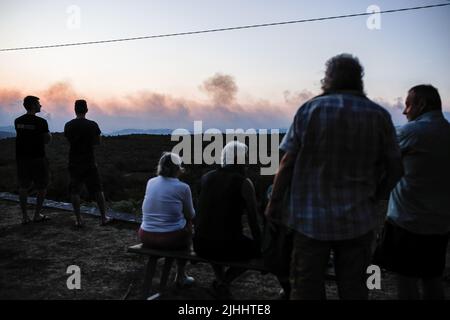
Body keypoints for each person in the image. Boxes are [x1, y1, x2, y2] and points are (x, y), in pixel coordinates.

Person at [265, 53, 403, 300]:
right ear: (358, 80)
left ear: (329, 79)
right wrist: (377, 195)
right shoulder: (379, 115)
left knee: (307, 288)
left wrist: (274, 203)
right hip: (358, 222)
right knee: (354, 288)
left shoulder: (310, 110)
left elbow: (287, 162)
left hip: (309, 222)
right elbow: (395, 168)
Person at [373, 85, 450, 299]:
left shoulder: (412, 132)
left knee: (405, 282)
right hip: (440, 223)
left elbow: (377, 156)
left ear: (422, 104)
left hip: (407, 222)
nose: (405, 111)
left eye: (408, 104)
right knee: (432, 279)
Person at [193, 141, 261, 298]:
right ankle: (224, 282)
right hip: (226, 246)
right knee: (251, 252)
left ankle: (220, 281)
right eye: (246, 157)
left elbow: (202, 212)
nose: (248, 162)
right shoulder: (244, 183)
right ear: (238, 159)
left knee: (215, 237)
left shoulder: (206, 178)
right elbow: (254, 221)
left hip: (200, 244)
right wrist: (259, 247)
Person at [138, 152, 196, 287]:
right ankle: (181, 275)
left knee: (176, 222)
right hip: (170, 239)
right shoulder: (183, 187)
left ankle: (179, 275)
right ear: (178, 168)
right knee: (188, 223)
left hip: (145, 236)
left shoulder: (150, 182)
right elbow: (191, 215)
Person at [64, 100, 109, 227]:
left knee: (75, 191)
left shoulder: (68, 125)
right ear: (86, 109)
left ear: (75, 110)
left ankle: (78, 220)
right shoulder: (92, 125)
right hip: (89, 161)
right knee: (97, 189)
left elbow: (69, 140)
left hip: (74, 161)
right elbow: (97, 142)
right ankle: (103, 218)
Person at [14, 96, 52, 224]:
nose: (40, 106)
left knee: (23, 186)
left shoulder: (17, 121)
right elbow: (47, 139)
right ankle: (37, 215)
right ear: (33, 105)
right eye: (38, 104)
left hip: (22, 158)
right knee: (42, 186)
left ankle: (25, 216)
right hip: (38, 158)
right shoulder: (41, 122)